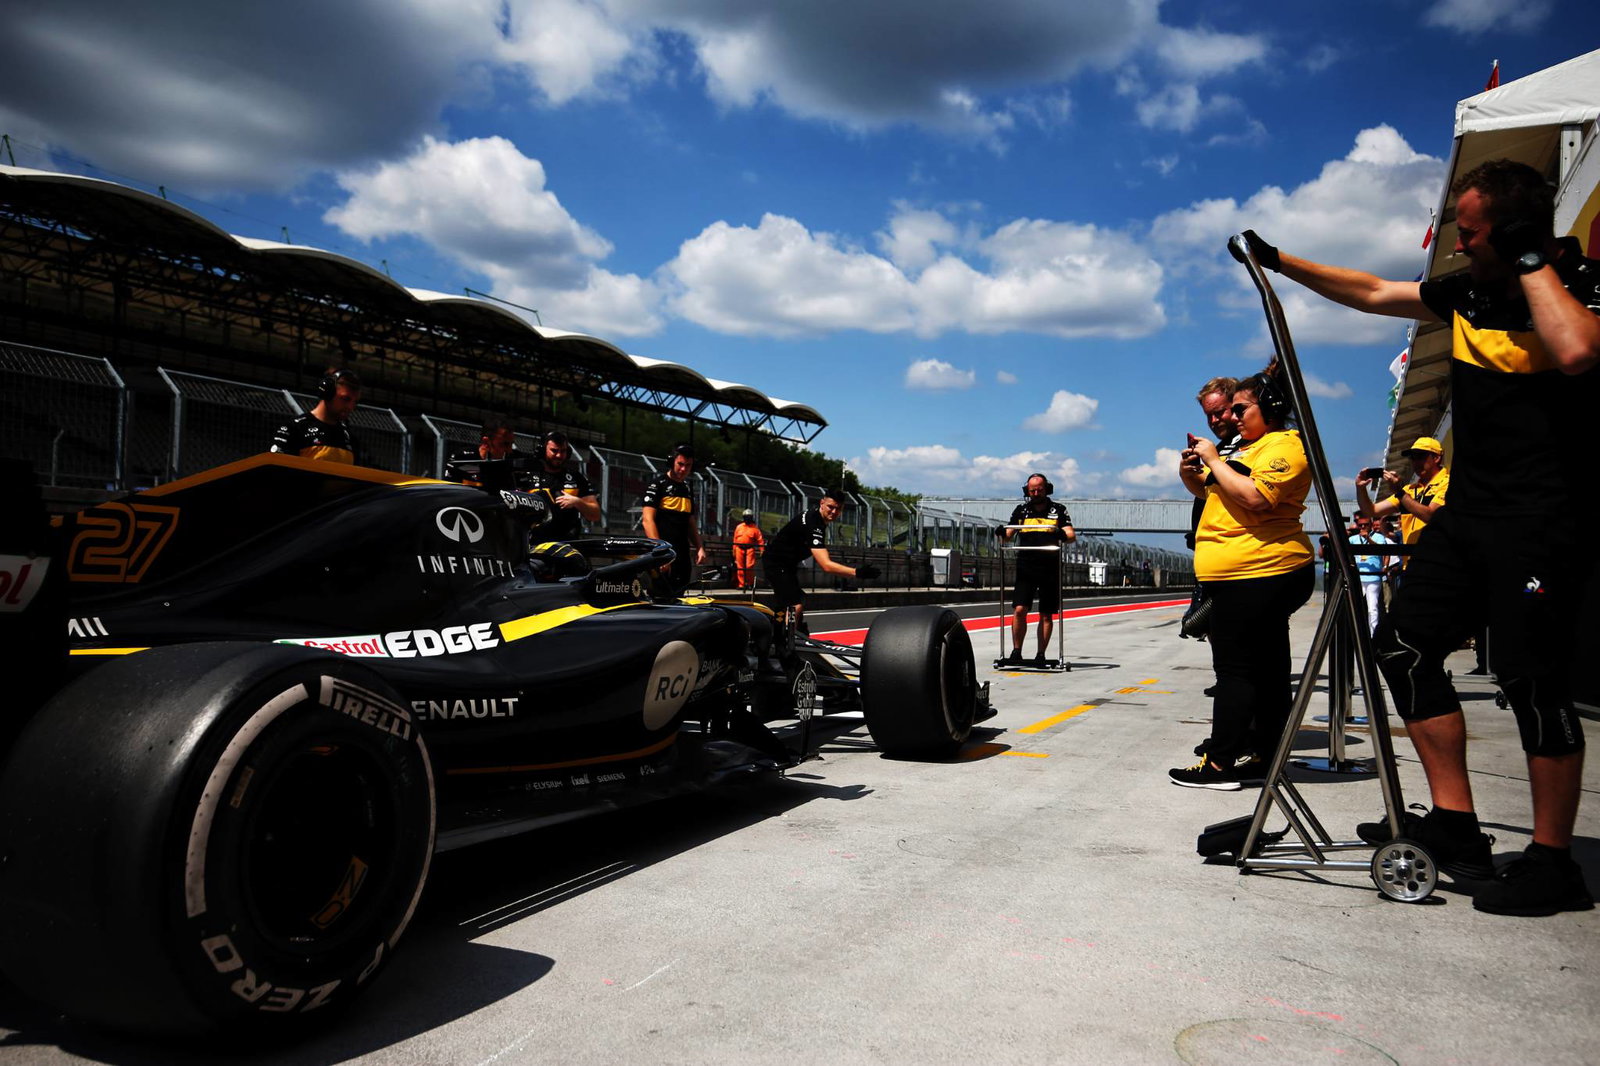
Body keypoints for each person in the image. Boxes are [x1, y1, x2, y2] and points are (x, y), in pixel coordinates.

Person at [1242, 157, 1599, 914]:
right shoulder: (1465, 292)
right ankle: (1457, 824)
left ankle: (1552, 859)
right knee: (1402, 646)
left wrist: (1533, 259)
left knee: (1533, 683)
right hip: (1468, 515)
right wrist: (1279, 261)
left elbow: (1575, 351)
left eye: (1472, 233)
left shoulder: (1582, 287)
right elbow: (1374, 291)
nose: (1461, 245)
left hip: (1545, 521)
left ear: (1513, 230)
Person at [1170, 370, 1315, 790]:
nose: (1231, 418)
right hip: (1247, 574)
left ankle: (1219, 764)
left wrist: (1215, 460)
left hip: (1258, 571)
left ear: (1268, 409)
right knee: (1268, 671)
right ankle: (1265, 755)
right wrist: (1191, 470)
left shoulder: (1284, 446)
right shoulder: (1249, 447)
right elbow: (1213, 492)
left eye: (1239, 409)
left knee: (1235, 671)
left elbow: (1256, 496)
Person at [763, 490, 879, 634]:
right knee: (795, 605)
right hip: (777, 563)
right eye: (831, 507)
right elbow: (826, 565)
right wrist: (858, 572)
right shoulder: (814, 525)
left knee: (795, 599)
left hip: (784, 563)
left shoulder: (816, 517)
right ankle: (784, 643)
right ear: (822, 503)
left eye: (838, 509)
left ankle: (784, 630)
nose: (834, 512)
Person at [997, 474, 1075, 665]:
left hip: (1050, 567)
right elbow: (1008, 535)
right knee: (1019, 610)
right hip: (1026, 566)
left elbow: (1071, 535)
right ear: (1027, 491)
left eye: (1039, 489)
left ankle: (1041, 654)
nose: (1036, 493)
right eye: (1032, 490)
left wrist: (1061, 533)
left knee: (1046, 614)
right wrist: (1001, 532)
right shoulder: (1021, 510)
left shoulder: (1058, 510)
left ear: (1047, 488)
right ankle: (1016, 651)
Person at [1356, 436, 1449, 574]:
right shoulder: (1410, 490)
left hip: (1438, 565)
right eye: (1412, 457)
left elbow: (1431, 516)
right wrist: (1360, 488)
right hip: (1411, 565)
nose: (1416, 462)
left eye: (1421, 456)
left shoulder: (1447, 483)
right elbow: (1371, 511)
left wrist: (1400, 493)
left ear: (1436, 458)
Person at [640, 444, 706, 595]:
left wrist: (700, 547)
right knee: (660, 597)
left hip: (682, 554)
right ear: (672, 462)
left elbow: (690, 520)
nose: (683, 469)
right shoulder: (657, 484)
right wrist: (660, 552)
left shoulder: (687, 489)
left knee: (679, 596)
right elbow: (647, 520)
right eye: (680, 464)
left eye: (688, 466)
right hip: (663, 553)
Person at [520, 431, 599, 541]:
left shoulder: (576, 477)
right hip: (534, 543)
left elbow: (595, 514)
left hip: (568, 544)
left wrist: (577, 502)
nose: (559, 455)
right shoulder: (526, 476)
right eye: (554, 451)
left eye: (563, 451)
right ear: (543, 450)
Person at [270, 367, 361, 464]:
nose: (350, 407)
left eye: (355, 402)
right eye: (345, 399)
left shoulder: (351, 439)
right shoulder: (294, 429)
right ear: (327, 393)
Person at [1349, 514, 1392, 633]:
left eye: (1366, 525)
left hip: (1373, 577)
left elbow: (1381, 550)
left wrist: (1368, 539)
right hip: (1358, 577)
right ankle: (1356, 632)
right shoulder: (1353, 539)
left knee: (1372, 608)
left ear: (1371, 525)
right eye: (1360, 525)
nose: (1363, 527)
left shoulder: (1378, 537)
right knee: (1355, 606)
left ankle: (1373, 634)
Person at [731, 510, 765, 590]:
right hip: (739, 549)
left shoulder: (755, 529)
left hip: (750, 549)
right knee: (740, 567)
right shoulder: (739, 527)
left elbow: (760, 540)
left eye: (749, 517)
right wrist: (734, 550)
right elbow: (735, 539)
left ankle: (749, 583)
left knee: (749, 566)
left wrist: (762, 550)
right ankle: (741, 584)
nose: (747, 518)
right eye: (746, 517)